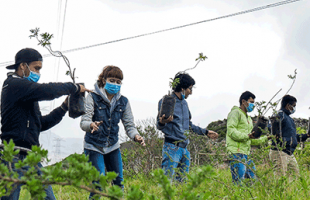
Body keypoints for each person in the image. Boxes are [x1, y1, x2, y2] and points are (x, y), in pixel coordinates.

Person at [0, 48, 90, 200]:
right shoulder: (14, 85)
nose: (38, 73)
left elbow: (40, 124)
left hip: (31, 157)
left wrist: (63, 107)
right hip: (12, 156)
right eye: (36, 68)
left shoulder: (27, 94)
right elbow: (46, 90)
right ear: (23, 66)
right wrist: (73, 87)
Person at [80, 65, 145, 198]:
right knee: (98, 183)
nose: (115, 84)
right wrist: (91, 124)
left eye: (118, 82)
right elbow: (84, 121)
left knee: (118, 183)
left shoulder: (123, 102)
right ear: (103, 80)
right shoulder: (92, 97)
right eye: (112, 80)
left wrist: (136, 136)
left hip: (113, 146)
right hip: (94, 145)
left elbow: (129, 125)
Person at [157, 73, 218, 182]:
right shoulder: (167, 101)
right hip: (172, 147)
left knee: (183, 184)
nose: (191, 92)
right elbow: (159, 124)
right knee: (166, 183)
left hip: (184, 149)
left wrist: (206, 132)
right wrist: (162, 122)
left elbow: (188, 125)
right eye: (190, 89)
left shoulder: (184, 104)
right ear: (182, 88)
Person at [226, 91, 268, 184]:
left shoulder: (248, 119)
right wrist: (247, 136)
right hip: (236, 152)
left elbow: (250, 140)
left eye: (253, 103)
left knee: (253, 179)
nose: (252, 105)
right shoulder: (235, 113)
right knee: (238, 180)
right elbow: (231, 131)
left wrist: (266, 138)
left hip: (245, 153)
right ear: (243, 102)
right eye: (251, 102)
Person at [269, 95, 309, 178]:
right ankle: (278, 191)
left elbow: (294, 136)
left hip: (289, 152)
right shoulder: (279, 115)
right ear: (288, 105)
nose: (294, 108)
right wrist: (276, 135)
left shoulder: (289, 119)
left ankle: (289, 191)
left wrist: (307, 135)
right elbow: (271, 126)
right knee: (279, 178)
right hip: (279, 151)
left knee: (295, 176)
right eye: (293, 106)